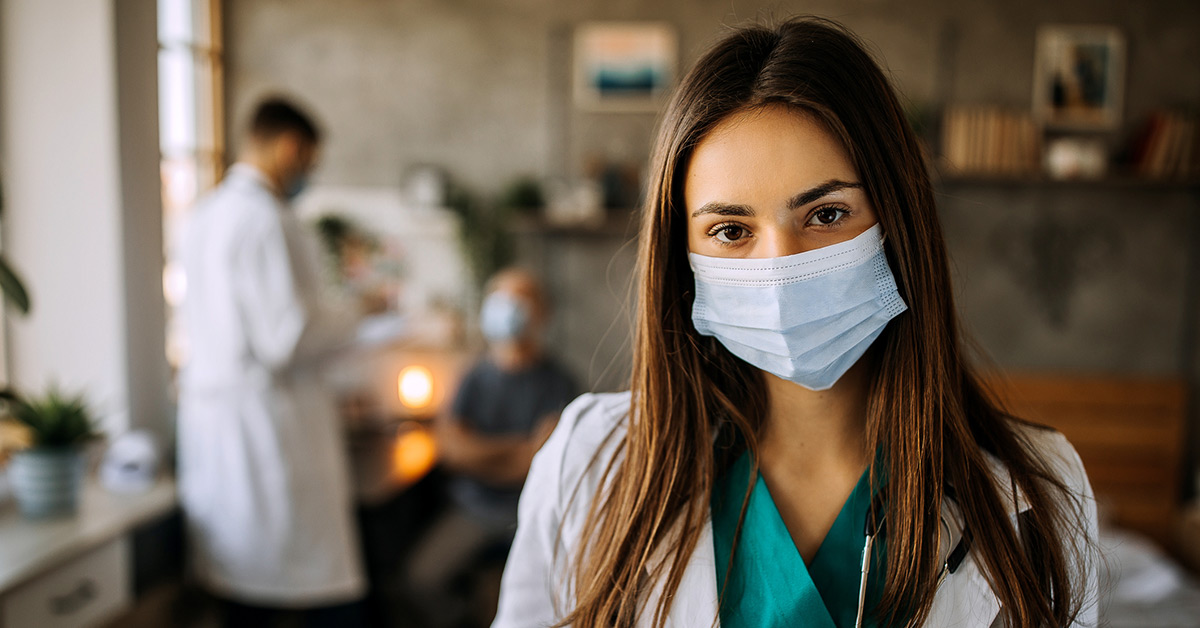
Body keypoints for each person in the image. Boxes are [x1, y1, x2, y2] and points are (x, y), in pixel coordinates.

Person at [492, 18, 1098, 628]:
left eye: (827, 214)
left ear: (898, 223)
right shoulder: (588, 463)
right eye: (731, 231)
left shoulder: (1037, 490)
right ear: (682, 257)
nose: (781, 270)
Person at [176, 97, 369, 628]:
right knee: (303, 594)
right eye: (310, 159)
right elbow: (286, 337)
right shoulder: (265, 220)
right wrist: (358, 312)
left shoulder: (205, 214)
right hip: (268, 432)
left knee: (243, 590)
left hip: (221, 427)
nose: (309, 172)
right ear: (290, 147)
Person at [408, 268, 577, 627]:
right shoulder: (472, 376)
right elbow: (453, 453)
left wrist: (479, 452)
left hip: (531, 511)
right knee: (420, 581)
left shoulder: (559, 384)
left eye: (522, 299)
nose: (510, 307)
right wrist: (516, 446)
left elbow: (533, 465)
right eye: (503, 297)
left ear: (541, 312)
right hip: (473, 509)